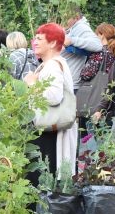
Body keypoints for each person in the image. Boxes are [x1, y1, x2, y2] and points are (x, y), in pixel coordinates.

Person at [24, 23, 78, 186]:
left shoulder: (53, 64)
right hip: (49, 129)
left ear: (53, 43)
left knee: (45, 179)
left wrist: (32, 83)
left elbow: (54, 96)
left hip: (51, 130)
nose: (35, 42)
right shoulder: (50, 63)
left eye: (40, 39)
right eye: (35, 39)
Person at [63, 12, 103, 90]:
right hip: (66, 83)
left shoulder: (81, 27)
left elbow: (98, 45)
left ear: (76, 17)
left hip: (71, 85)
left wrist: (71, 40)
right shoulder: (72, 29)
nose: (64, 21)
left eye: (66, 18)